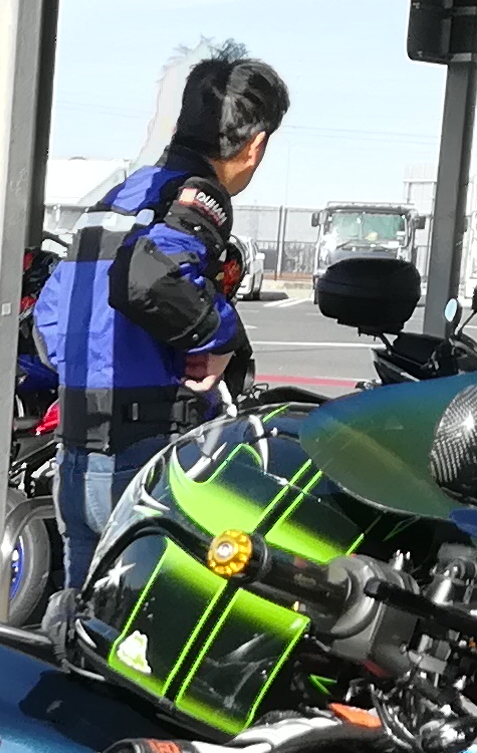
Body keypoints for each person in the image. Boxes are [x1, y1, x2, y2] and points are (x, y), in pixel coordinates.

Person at [34, 54, 288, 588]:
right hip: (144, 452)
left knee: (82, 613)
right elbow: (149, 279)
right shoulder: (197, 195)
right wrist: (221, 337)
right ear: (256, 145)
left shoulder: (120, 196)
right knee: (154, 617)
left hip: (77, 452)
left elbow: (50, 319)